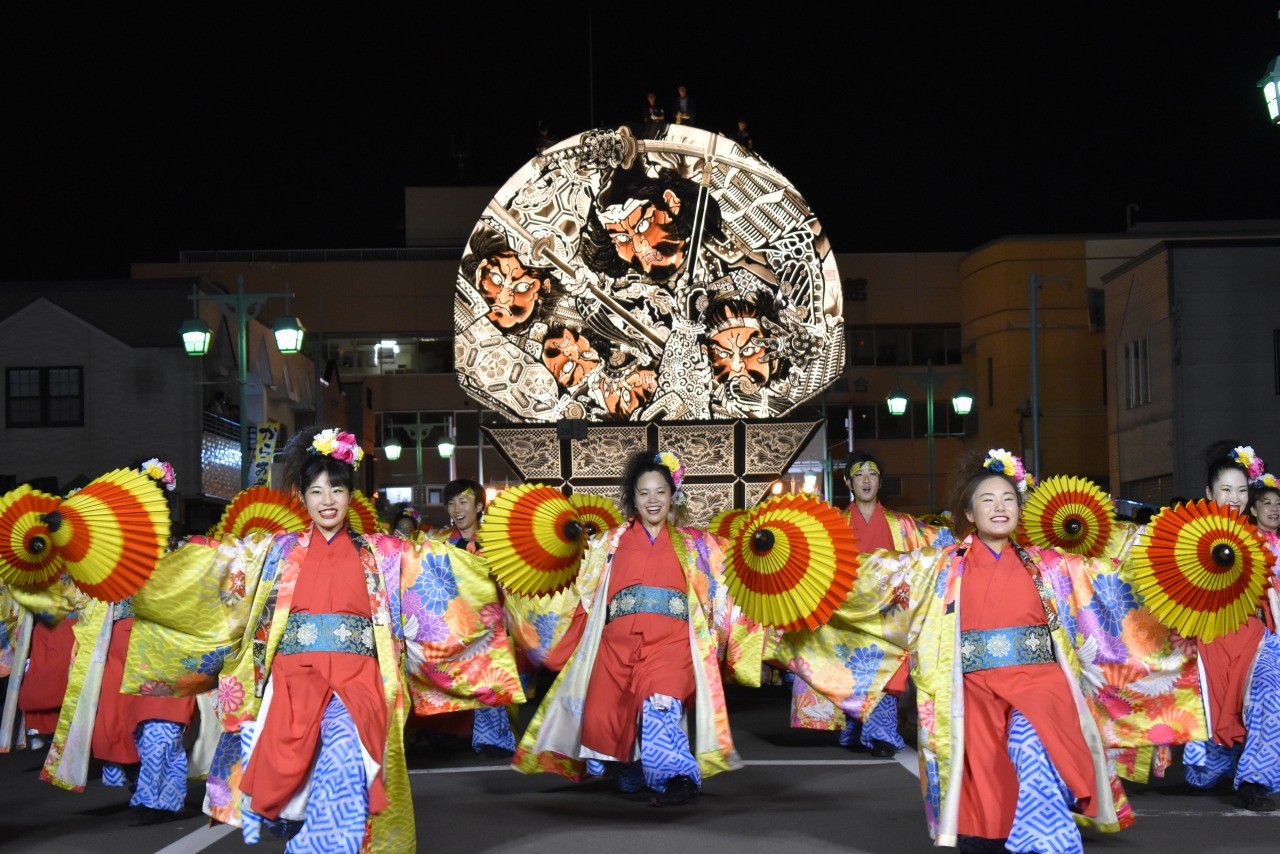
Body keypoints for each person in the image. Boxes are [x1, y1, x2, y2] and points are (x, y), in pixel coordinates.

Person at [772, 448, 1205, 852]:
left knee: (1031, 747)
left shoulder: (1052, 566)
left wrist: (1185, 564)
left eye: (1008, 499)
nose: (1000, 507)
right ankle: (989, 834)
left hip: (1039, 684)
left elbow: (1115, 581)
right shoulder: (939, 566)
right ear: (968, 513)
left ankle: (1048, 842)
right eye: (988, 500)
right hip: (972, 687)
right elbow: (869, 577)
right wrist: (795, 558)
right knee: (983, 777)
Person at [120, 427, 524, 850]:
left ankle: (321, 845)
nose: (327, 500)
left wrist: (501, 560)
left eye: (336, 490)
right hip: (292, 681)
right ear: (302, 496)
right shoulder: (274, 551)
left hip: (357, 680)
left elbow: (446, 572)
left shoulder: (385, 552)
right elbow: (211, 568)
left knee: (345, 759)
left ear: (350, 495)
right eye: (316, 491)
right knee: (294, 780)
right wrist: (145, 561)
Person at [511, 450, 772, 806]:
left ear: (672, 496)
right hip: (616, 644)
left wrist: (757, 548)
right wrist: (566, 542)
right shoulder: (608, 543)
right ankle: (632, 768)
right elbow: (573, 581)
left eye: (660, 491)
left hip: (670, 643)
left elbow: (729, 566)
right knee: (616, 714)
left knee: (660, 702)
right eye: (644, 492)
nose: (653, 500)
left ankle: (677, 777)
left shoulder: (694, 544)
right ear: (633, 499)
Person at [790, 452, 954, 758]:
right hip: (847, 612)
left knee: (888, 669)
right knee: (850, 670)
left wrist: (952, 542)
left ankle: (881, 734)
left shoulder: (903, 525)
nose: (866, 480)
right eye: (859, 475)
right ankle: (855, 728)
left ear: (880, 482)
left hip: (888, 615)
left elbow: (933, 546)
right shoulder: (832, 524)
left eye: (873, 474)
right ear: (848, 482)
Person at [1180, 442, 1279, 812]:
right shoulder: (1187, 535)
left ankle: (1255, 779)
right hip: (1205, 640)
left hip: (1254, 637)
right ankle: (1217, 765)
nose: (1235, 498)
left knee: (1271, 688)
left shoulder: (1259, 540)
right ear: (1209, 492)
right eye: (1226, 489)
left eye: (1241, 490)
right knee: (1203, 776)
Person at [429, 478, 520, 758]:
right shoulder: (439, 543)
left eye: (463, 501)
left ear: (480, 506)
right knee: (448, 679)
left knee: (489, 678)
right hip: (452, 623)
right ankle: (447, 735)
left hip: (490, 621)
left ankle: (493, 739)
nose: (457, 509)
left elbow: (511, 582)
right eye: (451, 503)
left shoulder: (498, 542)